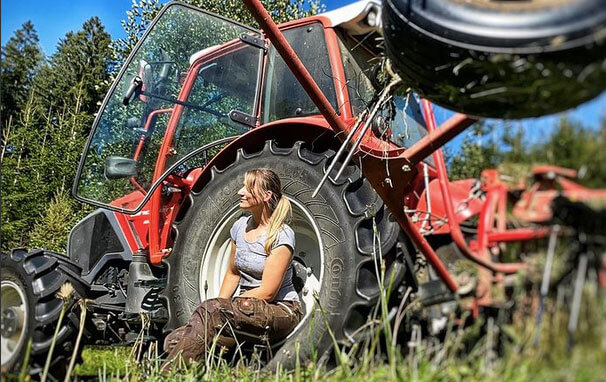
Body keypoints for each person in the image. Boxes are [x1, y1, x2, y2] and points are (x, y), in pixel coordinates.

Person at [163, 168, 303, 368]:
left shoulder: (281, 235)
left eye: (248, 188)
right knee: (174, 340)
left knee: (211, 313)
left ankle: (168, 375)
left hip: (280, 310)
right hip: (247, 309)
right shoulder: (239, 227)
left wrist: (219, 309)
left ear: (266, 196)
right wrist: (219, 306)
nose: (240, 192)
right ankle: (209, 370)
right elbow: (232, 273)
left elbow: (268, 291)